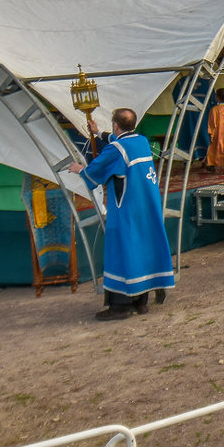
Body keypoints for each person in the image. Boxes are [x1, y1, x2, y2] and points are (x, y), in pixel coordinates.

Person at [68, 108, 174, 320]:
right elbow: (117, 141)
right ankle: (141, 302)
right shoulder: (142, 142)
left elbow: (95, 172)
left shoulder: (117, 149)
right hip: (146, 208)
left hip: (126, 211)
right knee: (141, 251)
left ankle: (120, 306)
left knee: (122, 252)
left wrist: (79, 168)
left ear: (116, 125)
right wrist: (99, 133)